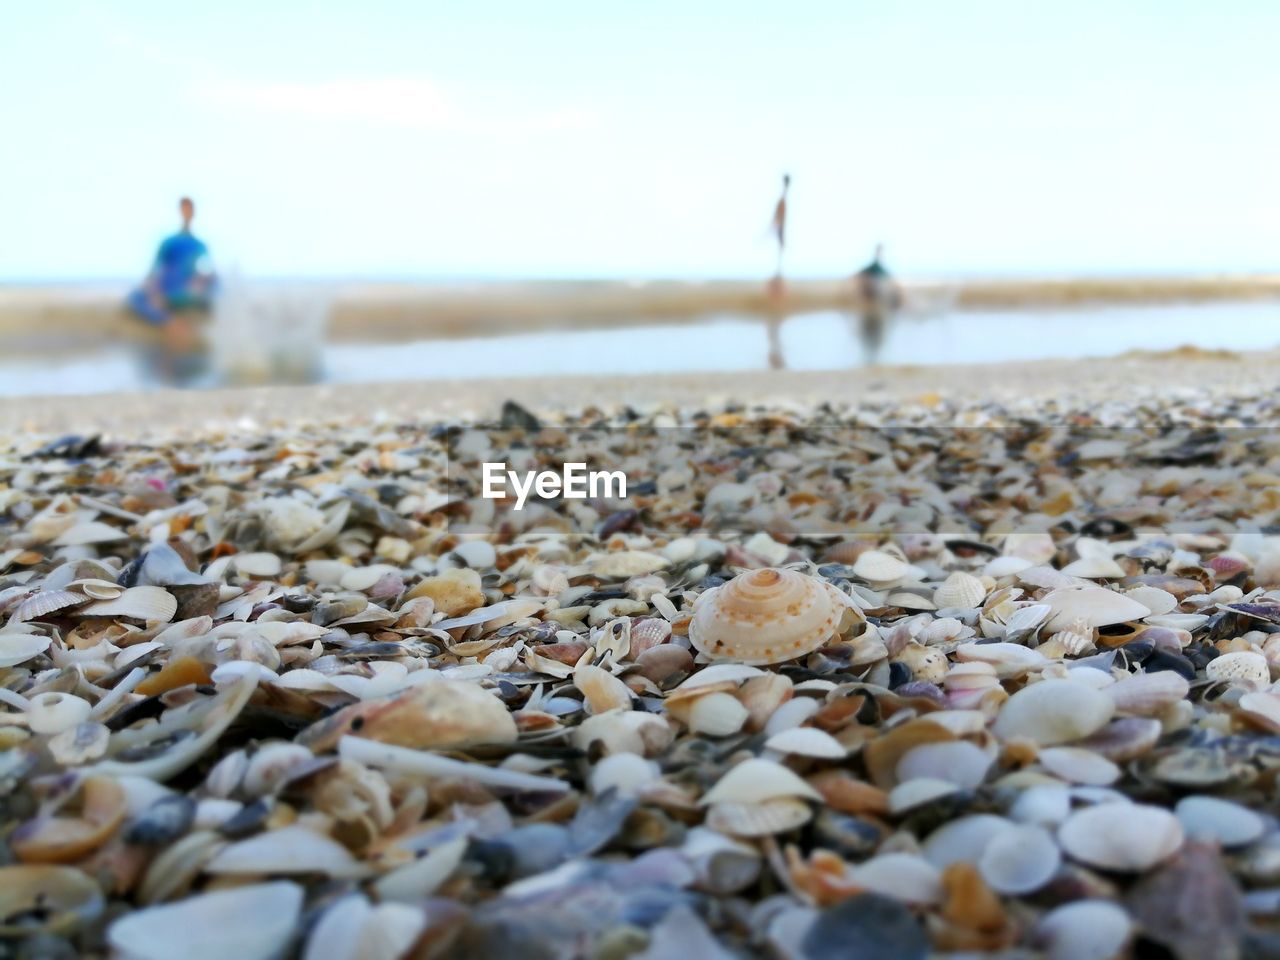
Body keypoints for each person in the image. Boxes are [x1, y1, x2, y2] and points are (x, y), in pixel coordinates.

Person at [127, 197, 216, 327]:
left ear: (193, 213)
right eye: (184, 209)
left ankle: (172, 319)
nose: (187, 213)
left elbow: (207, 271)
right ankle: (167, 321)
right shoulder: (169, 242)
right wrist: (152, 288)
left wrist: (199, 282)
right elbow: (154, 269)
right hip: (164, 287)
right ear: (180, 211)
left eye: (189, 209)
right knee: (135, 298)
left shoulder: (199, 245)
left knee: (207, 295)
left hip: (186, 291)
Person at [851, 243, 902, 365]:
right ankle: (870, 358)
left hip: (878, 307)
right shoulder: (873, 267)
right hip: (872, 306)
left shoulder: (880, 268)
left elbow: (890, 280)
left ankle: (873, 358)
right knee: (870, 335)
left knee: (876, 335)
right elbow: (859, 276)